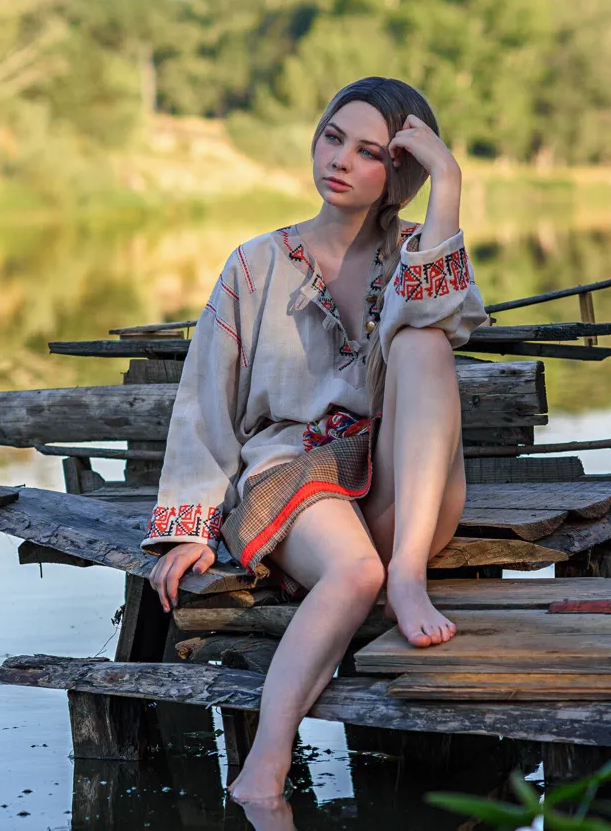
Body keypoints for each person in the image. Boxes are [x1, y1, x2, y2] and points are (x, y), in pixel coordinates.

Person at [139, 76, 489, 805]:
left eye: (368, 152)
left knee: (427, 345)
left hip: (403, 487)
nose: (339, 160)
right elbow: (206, 397)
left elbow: (445, 314)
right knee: (354, 572)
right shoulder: (255, 265)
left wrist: (448, 181)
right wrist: (190, 525)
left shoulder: (414, 255)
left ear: (399, 174)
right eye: (333, 136)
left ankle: (409, 576)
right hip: (296, 472)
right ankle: (263, 770)